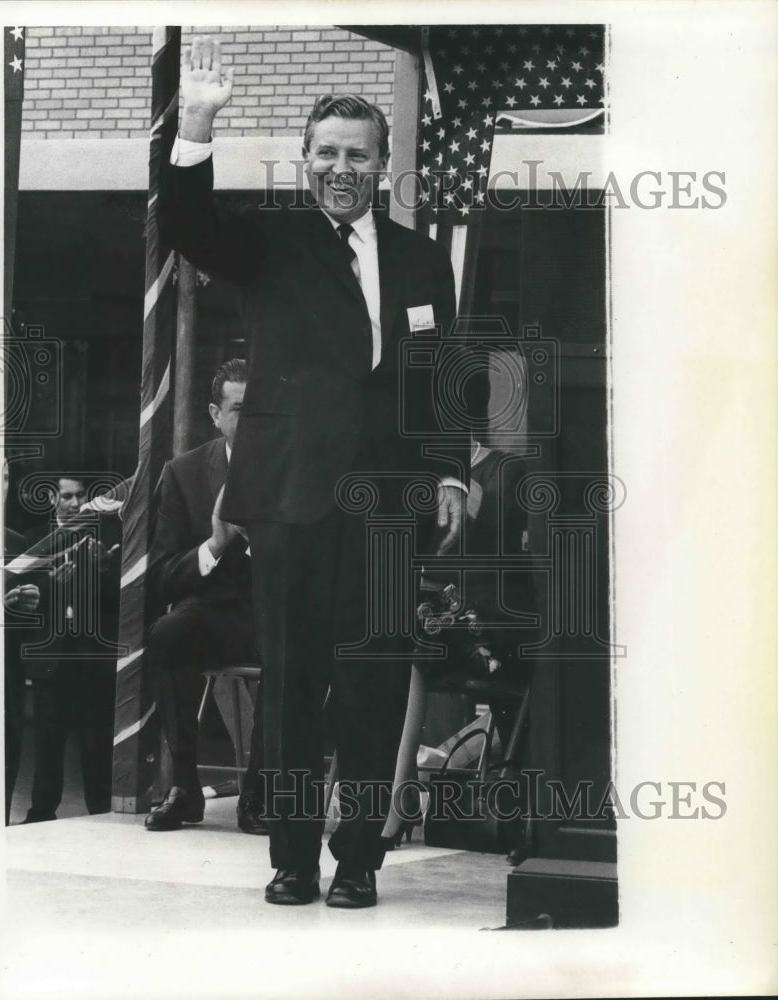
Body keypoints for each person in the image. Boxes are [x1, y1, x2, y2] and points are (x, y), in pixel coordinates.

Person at [159, 36, 467, 907]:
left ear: (381, 165)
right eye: (326, 153)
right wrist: (197, 122)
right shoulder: (271, 242)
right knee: (293, 684)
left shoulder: (419, 258)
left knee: (372, 684)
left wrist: (448, 471)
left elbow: (439, 376)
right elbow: (185, 226)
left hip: (388, 504)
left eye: (356, 156)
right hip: (290, 495)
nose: (341, 169)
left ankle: (358, 858)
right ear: (305, 162)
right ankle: (293, 857)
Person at [381, 435, 537, 846]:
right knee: (389, 637)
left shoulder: (506, 470)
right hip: (432, 614)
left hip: (490, 617)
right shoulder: (410, 471)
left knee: (413, 642)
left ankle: (396, 804)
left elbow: (499, 543)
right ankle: (399, 791)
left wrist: (451, 482)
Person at [144, 358, 266, 835]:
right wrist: (215, 544)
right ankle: (184, 787)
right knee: (168, 632)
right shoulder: (185, 472)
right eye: (238, 410)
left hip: (276, 611)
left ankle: (258, 793)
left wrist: (259, 542)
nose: (250, 422)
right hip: (215, 612)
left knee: (293, 646)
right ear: (215, 414)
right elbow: (161, 578)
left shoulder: (295, 468)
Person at [22, 472, 122, 823]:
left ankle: (101, 815)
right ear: (52, 498)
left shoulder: (106, 541)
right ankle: (40, 815)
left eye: (80, 495)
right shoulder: (33, 542)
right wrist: (49, 585)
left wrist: (103, 569)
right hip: (51, 661)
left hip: (93, 660)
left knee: (97, 746)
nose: (76, 503)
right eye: (67, 496)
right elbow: (19, 605)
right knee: (48, 744)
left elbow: (122, 603)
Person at [3, 458, 41, 824]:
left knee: (6, 750)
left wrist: (29, 604)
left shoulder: (17, 544)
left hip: (5, 677)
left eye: (4, 478)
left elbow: (27, 625)